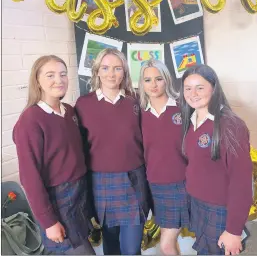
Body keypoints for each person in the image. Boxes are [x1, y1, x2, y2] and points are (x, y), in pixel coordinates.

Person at [12, 55, 95, 255]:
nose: (59, 80)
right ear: (37, 81)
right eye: (50, 75)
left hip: (79, 194)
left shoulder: (69, 111)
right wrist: (49, 222)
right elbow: (30, 178)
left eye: (63, 74)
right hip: (58, 200)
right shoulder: (30, 120)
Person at [75, 48, 151, 255]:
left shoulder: (135, 100)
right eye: (105, 68)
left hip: (135, 179)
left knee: (132, 248)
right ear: (97, 71)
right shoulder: (83, 104)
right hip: (102, 182)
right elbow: (78, 147)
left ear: (124, 72)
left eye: (117, 68)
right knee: (111, 244)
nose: (111, 74)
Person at [180, 64, 253, 255]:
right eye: (188, 88)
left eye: (200, 87)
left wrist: (233, 231)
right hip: (197, 204)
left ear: (214, 88)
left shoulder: (230, 125)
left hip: (220, 210)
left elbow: (241, 182)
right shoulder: (192, 118)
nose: (193, 93)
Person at [138, 59, 189, 255]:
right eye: (147, 80)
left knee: (166, 243)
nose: (153, 84)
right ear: (142, 83)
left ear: (166, 79)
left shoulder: (182, 107)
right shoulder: (139, 112)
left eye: (158, 78)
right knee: (169, 241)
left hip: (181, 182)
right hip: (154, 185)